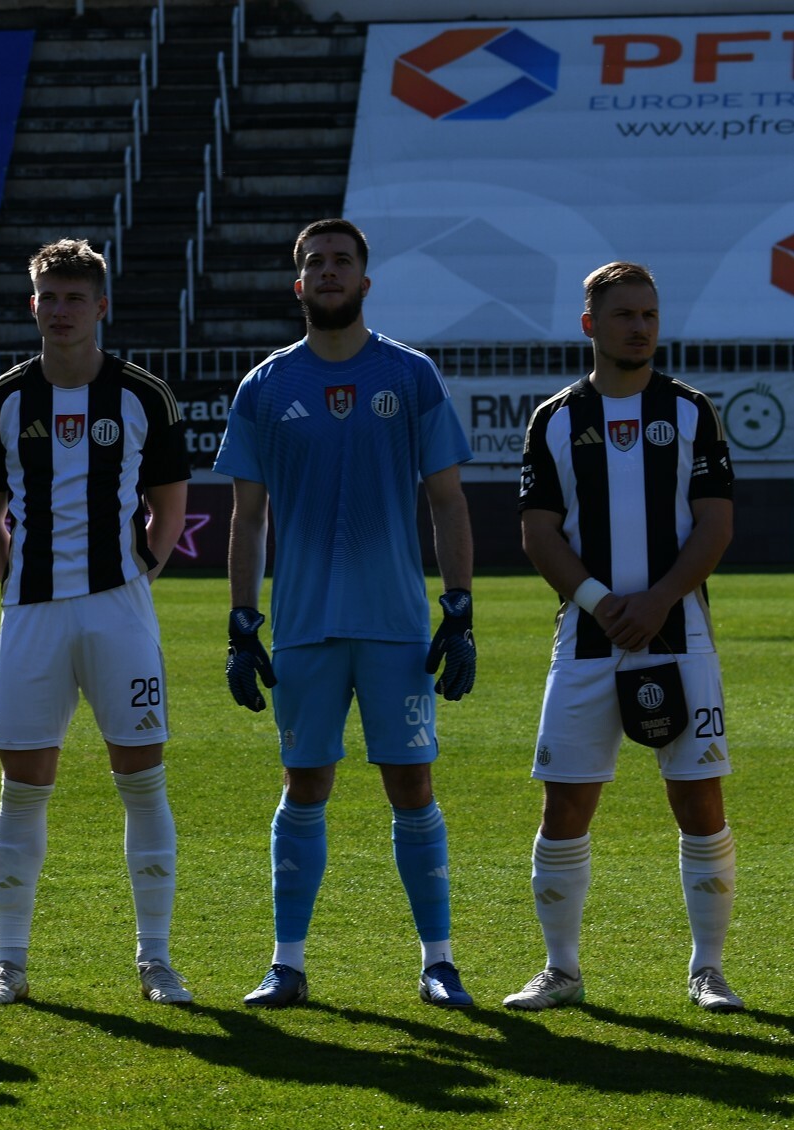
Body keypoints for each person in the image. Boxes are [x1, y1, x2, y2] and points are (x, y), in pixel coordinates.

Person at [216, 219, 477, 1010]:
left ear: (364, 280)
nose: (327, 271)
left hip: (395, 622)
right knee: (304, 782)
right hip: (302, 624)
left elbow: (447, 501)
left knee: (411, 783)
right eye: (314, 262)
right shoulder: (264, 386)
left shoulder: (410, 374)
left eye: (341, 261)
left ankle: (438, 962)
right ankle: (286, 964)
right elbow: (247, 518)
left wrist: (458, 608)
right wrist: (240, 621)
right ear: (298, 284)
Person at [0, 238, 193, 1007]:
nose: (59, 311)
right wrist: (16, 581)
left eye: (73, 298)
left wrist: (138, 570)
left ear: (100, 307)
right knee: (22, 787)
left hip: (117, 609)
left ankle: (155, 959)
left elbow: (169, 504)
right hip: (30, 613)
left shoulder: (142, 396)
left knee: (142, 778)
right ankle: (9, 962)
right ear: (32, 305)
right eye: (47, 297)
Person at [506, 262, 740, 1012]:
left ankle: (708, 970)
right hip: (586, 639)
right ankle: (561, 970)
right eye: (623, 315)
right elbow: (538, 533)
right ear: (589, 325)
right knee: (564, 808)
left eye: (649, 315)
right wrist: (604, 603)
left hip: (681, 636)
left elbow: (715, 524)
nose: (639, 327)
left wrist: (660, 600)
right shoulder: (553, 419)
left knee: (698, 801)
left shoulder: (692, 411)